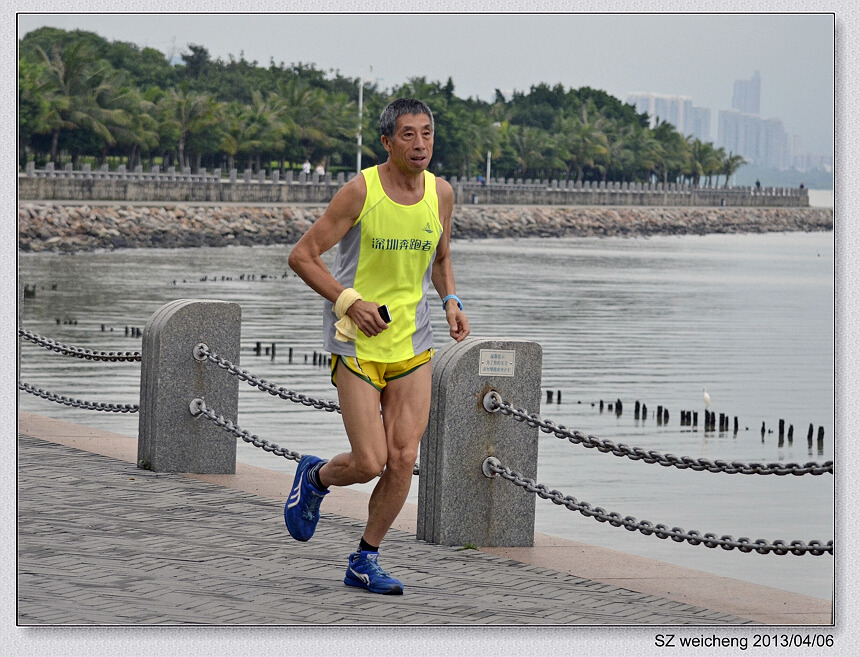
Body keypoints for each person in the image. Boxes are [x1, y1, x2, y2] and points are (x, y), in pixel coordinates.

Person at [285, 98, 470, 595]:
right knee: (370, 462)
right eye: (407, 135)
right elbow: (302, 256)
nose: (420, 144)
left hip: (413, 343)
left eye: (427, 133)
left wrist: (450, 298)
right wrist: (350, 300)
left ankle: (365, 559)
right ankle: (316, 478)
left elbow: (441, 256)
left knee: (404, 457)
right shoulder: (359, 191)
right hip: (358, 344)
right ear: (387, 142)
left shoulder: (442, 194)